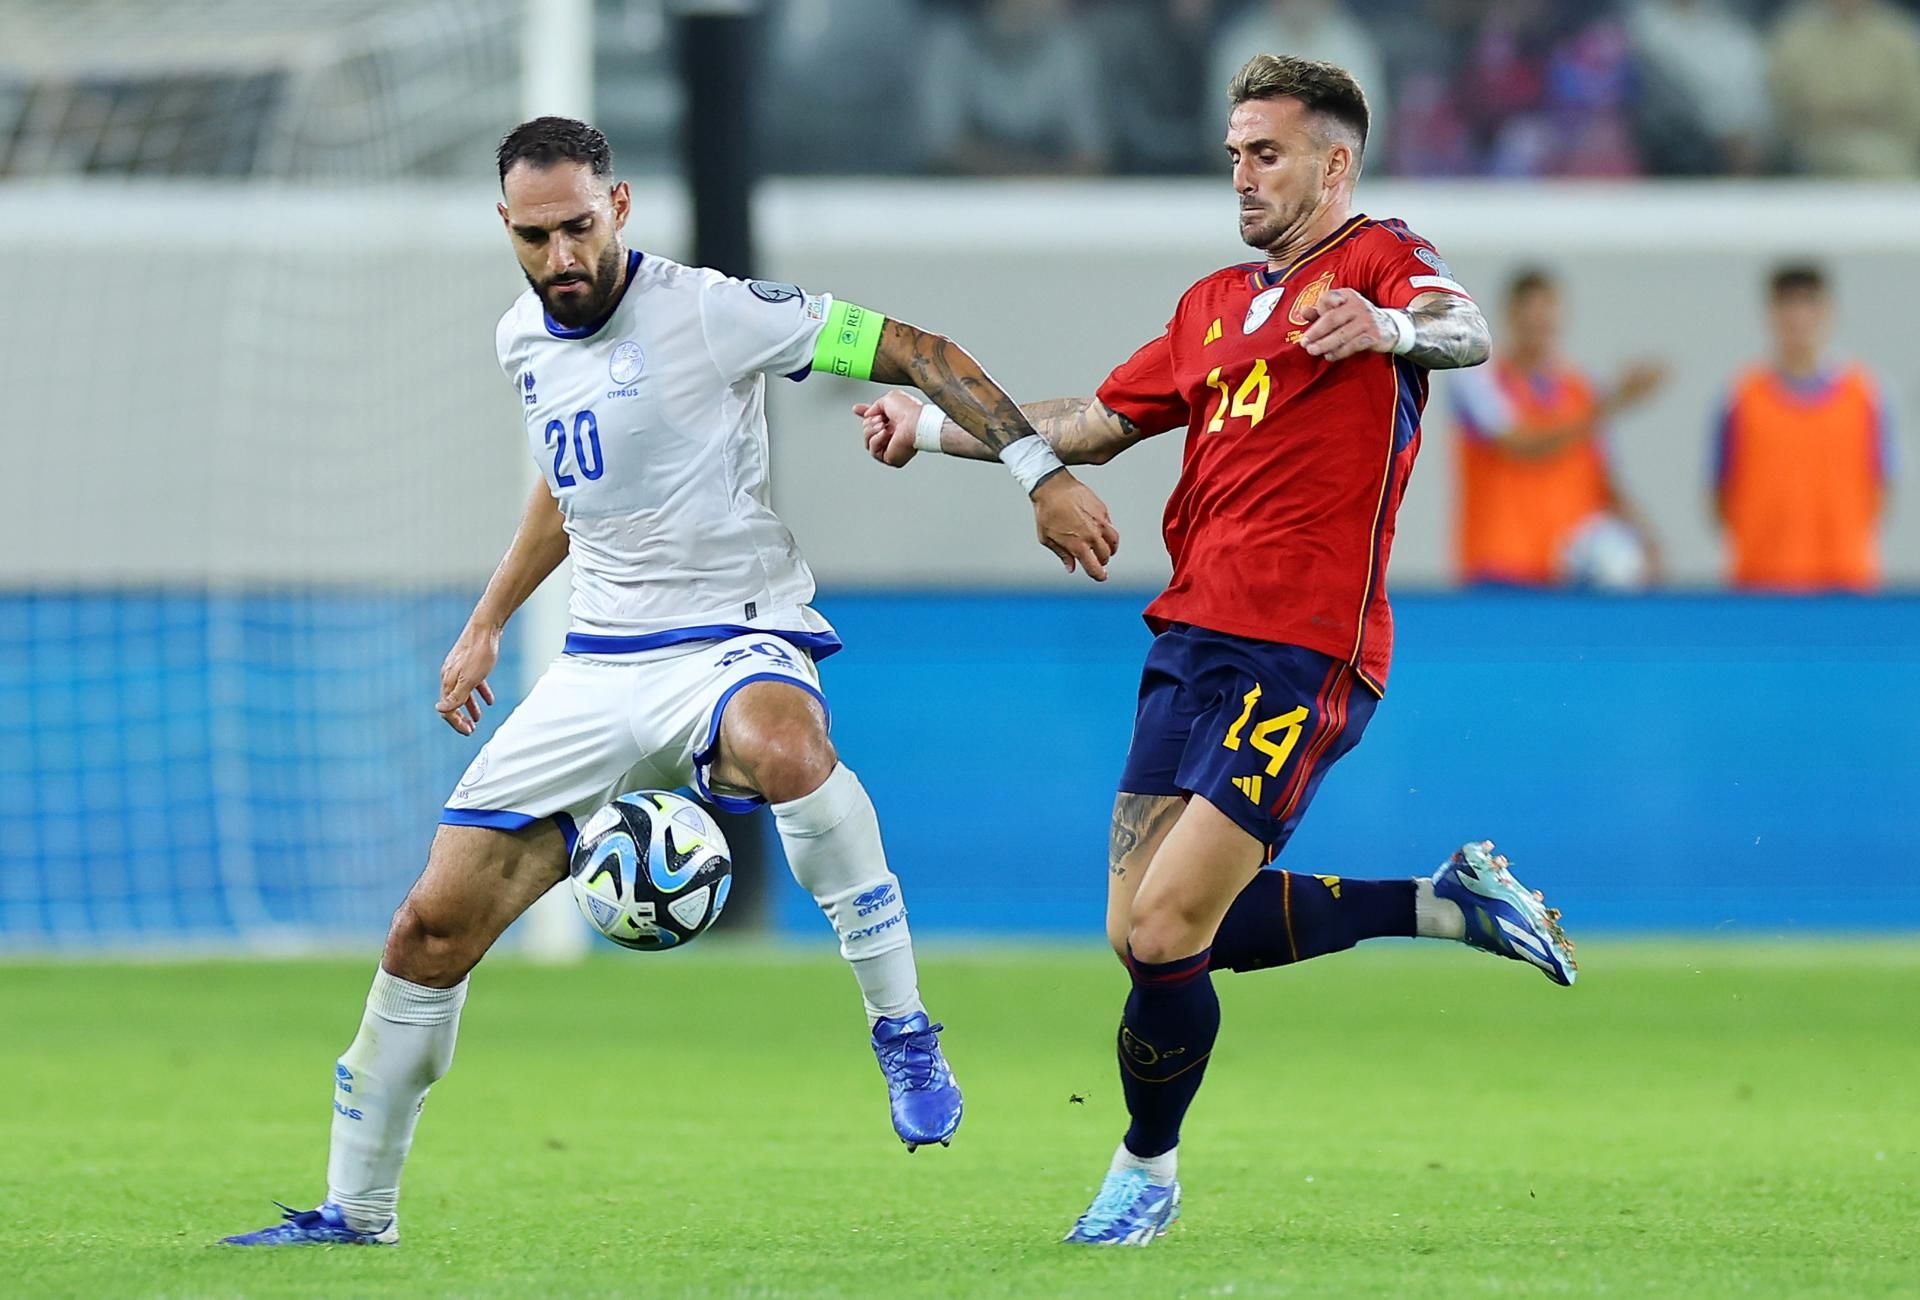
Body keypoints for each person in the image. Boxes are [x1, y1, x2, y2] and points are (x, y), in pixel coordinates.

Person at [222, 116, 1120, 1247]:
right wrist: (488, 621)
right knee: (428, 930)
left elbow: (918, 348)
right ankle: (357, 1210)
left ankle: (901, 1027)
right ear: (506, 227)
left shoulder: (711, 310)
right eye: (535, 237)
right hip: (597, 665)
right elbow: (569, 487)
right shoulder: (522, 339)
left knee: (787, 747)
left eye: (579, 228)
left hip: (731, 634)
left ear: (620, 207)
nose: (562, 257)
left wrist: (1037, 473)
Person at [855, 55, 1577, 1246]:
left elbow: (1468, 329)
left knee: (1165, 932)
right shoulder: (1208, 305)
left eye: (1267, 154)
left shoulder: (1379, 258)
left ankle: (1145, 1172)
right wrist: (931, 424)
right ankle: (1442, 904)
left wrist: (1389, 327)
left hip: (1305, 647)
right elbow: (1094, 421)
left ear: (1334, 163)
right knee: (1142, 930)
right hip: (1189, 637)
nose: (1242, 175)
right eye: (1235, 153)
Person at [1450, 268, 1665, 588]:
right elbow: (1521, 444)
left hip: (1569, 571)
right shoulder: (1479, 381)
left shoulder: (1583, 389)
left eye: (1547, 313)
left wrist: (1645, 537)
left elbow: (1602, 477)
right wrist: (1613, 403)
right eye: (1531, 313)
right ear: (1511, 316)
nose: (1540, 323)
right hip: (1501, 566)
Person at [1714, 263, 1894, 592]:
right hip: (1760, 583)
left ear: (1828, 312)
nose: (1798, 316)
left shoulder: (1865, 395)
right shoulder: (1740, 396)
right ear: (1770, 313)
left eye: (1808, 303)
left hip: (1846, 582)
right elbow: (1720, 492)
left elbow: (1881, 488)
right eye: (1787, 304)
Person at [1770, 0, 1920, 178]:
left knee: (1878, 157)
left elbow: (1912, 107)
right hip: (1815, 145)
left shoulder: (1898, 37)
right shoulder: (1794, 37)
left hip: (1888, 142)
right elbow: (1782, 106)